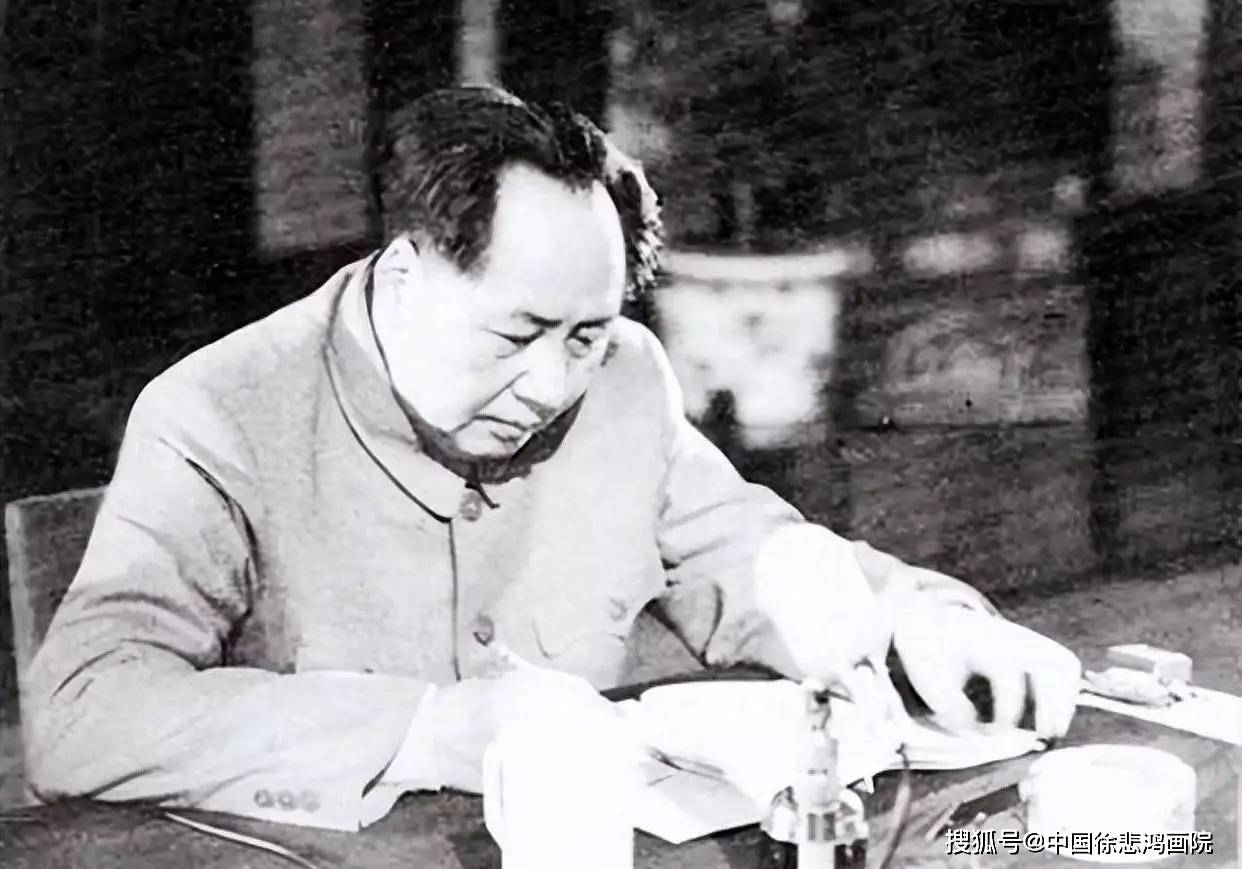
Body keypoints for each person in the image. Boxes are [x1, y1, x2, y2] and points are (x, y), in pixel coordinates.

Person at [23, 86, 1081, 832]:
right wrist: (430, 727)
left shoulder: (622, 379)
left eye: (584, 334)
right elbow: (84, 712)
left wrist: (914, 622)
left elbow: (746, 552)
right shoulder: (219, 413)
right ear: (404, 275)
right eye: (516, 332)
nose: (550, 383)